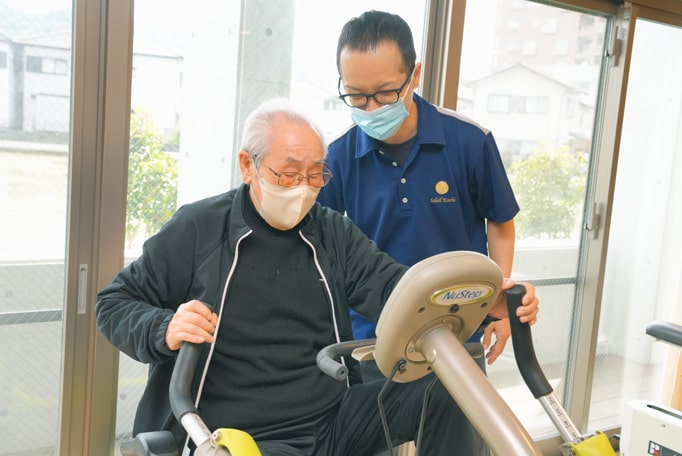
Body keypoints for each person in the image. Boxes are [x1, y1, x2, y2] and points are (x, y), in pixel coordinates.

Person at [96, 98, 539, 456]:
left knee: (453, 386)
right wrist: (163, 327)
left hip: (333, 418)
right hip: (237, 434)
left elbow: (397, 294)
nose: (304, 188)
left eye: (315, 175)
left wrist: (487, 305)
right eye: (288, 174)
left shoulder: (332, 231)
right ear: (248, 166)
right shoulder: (199, 228)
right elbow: (114, 302)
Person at [317, 10, 523, 454]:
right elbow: (320, 250)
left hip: (457, 330)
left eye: (384, 93)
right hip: (373, 341)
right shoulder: (337, 158)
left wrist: (498, 305)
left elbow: (501, 224)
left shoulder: (469, 140)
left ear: (415, 74)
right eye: (355, 96)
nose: (371, 108)